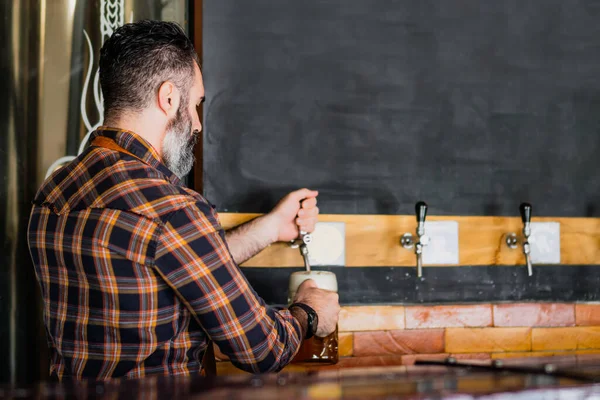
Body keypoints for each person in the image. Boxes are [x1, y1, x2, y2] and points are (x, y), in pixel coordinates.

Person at [27, 20, 340, 381]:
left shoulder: (54, 190)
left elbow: (173, 262)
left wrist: (271, 228)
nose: (197, 124)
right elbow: (262, 349)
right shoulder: (170, 208)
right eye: (195, 104)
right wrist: (308, 311)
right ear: (169, 98)